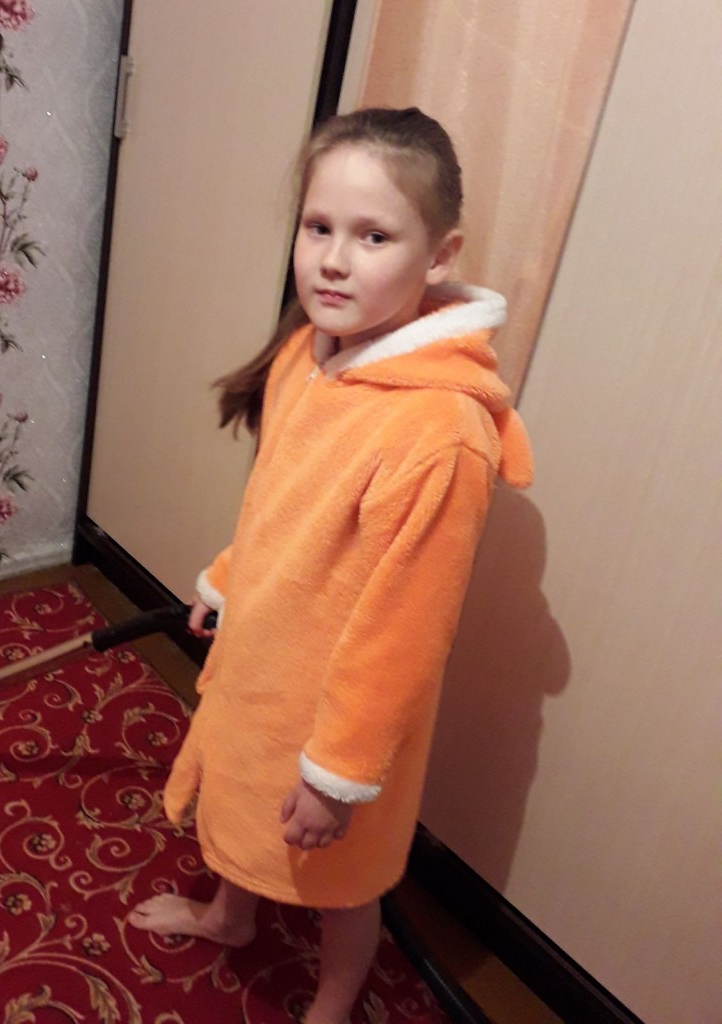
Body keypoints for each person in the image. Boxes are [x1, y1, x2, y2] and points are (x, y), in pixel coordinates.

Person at [127, 107, 534, 1024]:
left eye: (373, 236)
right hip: (264, 664)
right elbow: (279, 502)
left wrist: (336, 770)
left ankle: (335, 998)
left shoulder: (439, 434)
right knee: (242, 804)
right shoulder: (308, 357)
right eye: (318, 227)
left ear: (440, 254)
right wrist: (230, 576)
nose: (334, 261)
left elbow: (407, 629)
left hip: (341, 708)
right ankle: (230, 916)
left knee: (341, 873)